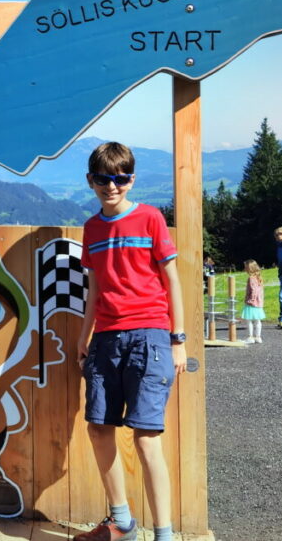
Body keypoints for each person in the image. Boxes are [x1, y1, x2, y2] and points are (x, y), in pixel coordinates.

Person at [74, 142, 187, 541]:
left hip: (151, 338)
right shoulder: (91, 229)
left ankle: (164, 535)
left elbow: (172, 279)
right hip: (104, 339)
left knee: (146, 438)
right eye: (104, 179)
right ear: (91, 181)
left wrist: (179, 340)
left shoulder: (151, 218)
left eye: (120, 178)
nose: (112, 186)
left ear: (131, 179)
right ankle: (121, 522)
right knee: (98, 429)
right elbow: (94, 287)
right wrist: (83, 337)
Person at [239, 260, 266, 344]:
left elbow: (253, 290)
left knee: (249, 320)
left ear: (249, 268)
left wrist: (251, 299)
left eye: (246, 267)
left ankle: (250, 337)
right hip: (259, 302)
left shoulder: (251, 278)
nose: (244, 269)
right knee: (258, 321)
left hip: (252, 302)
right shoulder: (259, 278)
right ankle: (258, 337)